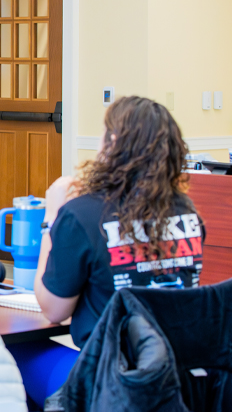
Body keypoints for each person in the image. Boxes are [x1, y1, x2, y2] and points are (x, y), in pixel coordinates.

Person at [14, 96, 205, 407]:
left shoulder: (83, 214)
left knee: (9, 354)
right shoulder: (188, 212)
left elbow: (53, 309)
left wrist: (52, 218)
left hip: (108, 383)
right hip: (177, 380)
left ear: (113, 142)